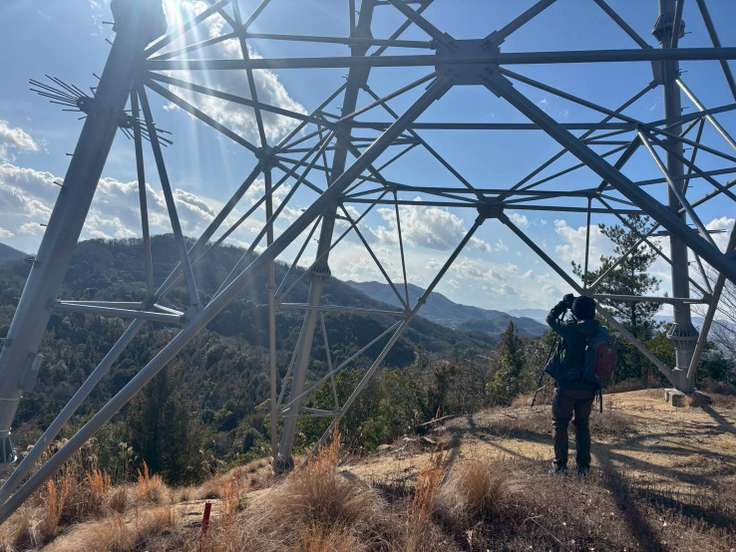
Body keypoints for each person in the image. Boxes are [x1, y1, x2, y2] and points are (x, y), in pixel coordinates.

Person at [546, 293, 600, 476]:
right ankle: (583, 468)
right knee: (582, 425)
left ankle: (560, 467)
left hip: (567, 387)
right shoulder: (599, 331)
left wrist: (563, 304)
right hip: (589, 387)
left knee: (560, 424)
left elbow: (550, 318)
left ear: (576, 312)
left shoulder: (571, 330)